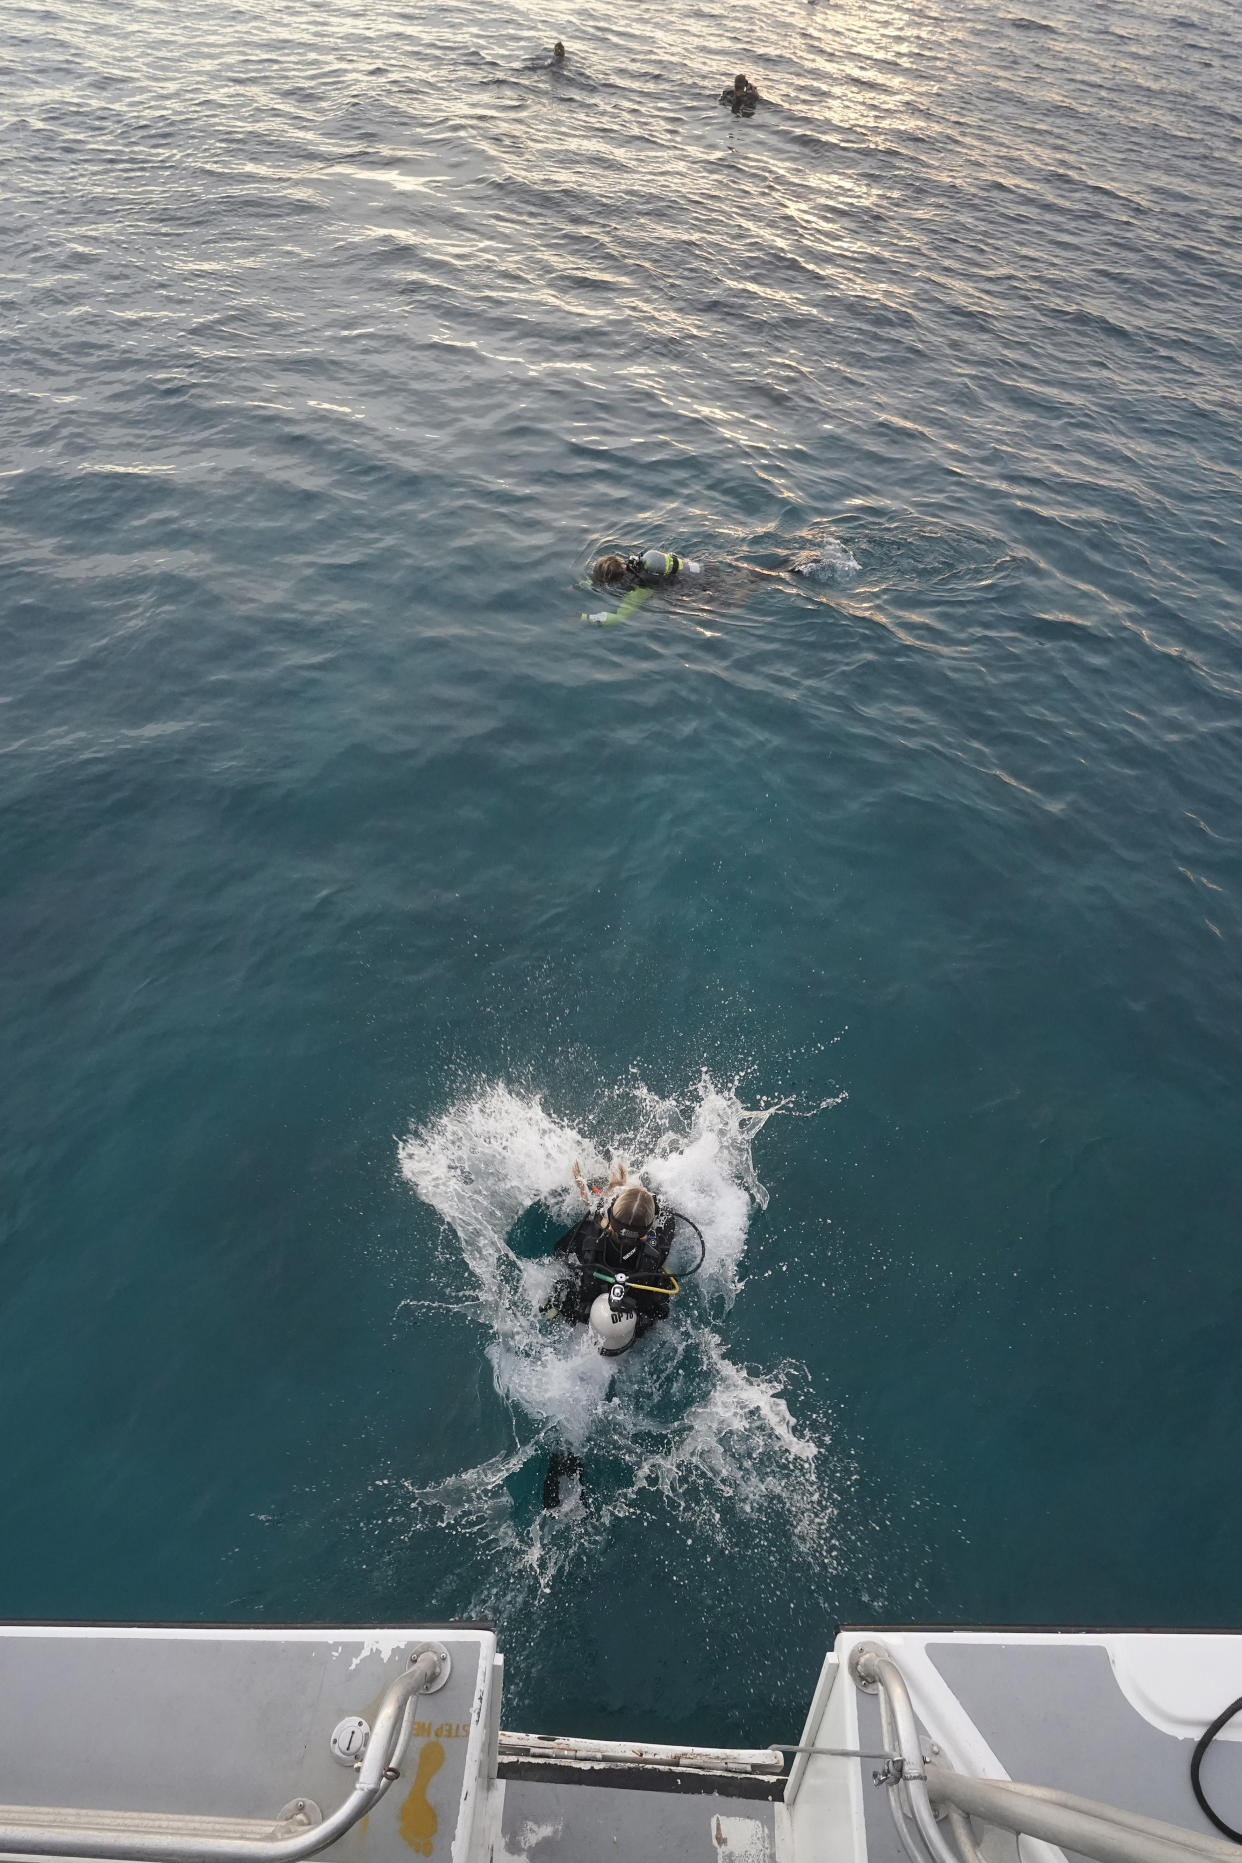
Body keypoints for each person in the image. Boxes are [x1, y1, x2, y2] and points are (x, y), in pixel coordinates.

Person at [543, 1174, 677, 1341]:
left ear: (610, 1214)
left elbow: (560, 1252)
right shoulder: (657, 1248)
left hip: (587, 1311)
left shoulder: (587, 1232)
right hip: (630, 1321)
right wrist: (652, 1204)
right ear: (646, 1231)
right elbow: (670, 1220)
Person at [582, 549, 703, 625]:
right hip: (701, 572)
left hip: (694, 589)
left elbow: (617, 618)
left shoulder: (637, 590)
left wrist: (584, 618)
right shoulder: (635, 562)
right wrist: (581, 585)